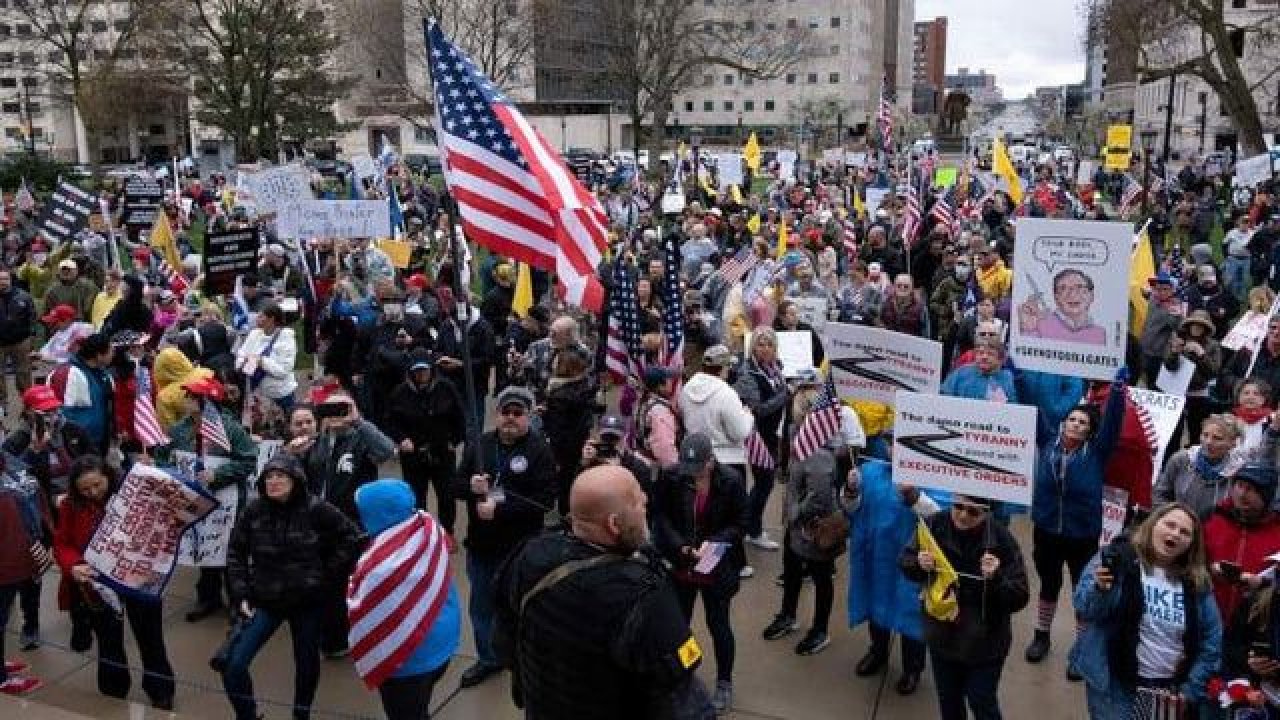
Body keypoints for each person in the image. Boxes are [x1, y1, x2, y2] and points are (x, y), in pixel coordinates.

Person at [492, 464, 714, 720]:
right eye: (638, 503)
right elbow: (683, 704)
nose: (645, 504)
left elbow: (504, 641)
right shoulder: (644, 596)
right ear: (614, 524)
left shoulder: (530, 556)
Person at [222, 455, 361, 720]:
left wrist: (326, 573)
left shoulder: (317, 509)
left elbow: (351, 537)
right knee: (233, 665)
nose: (274, 482)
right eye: (269, 477)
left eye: (281, 476)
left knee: (306, 663)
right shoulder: (253, 510)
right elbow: (236, 552)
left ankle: (301, 713)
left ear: (295, 480)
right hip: (265, 599)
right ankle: (247, 715)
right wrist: (240, 593)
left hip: (307, 601)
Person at [1070, 502, 1222, 718]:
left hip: (1169, 692)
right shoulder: (1118, 556)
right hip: (1115, 686)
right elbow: (1084, 608)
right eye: (1169, 525)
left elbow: (1212, 641)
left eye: (1185, 532)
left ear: (1191, 544)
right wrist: (1100, 590)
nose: (1175, 534)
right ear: (1153, 524)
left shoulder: (1197, 583)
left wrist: (1191, 689)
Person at [455, 385, 557, 689]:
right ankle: (488, 659)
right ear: (496, 414)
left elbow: (545, 500)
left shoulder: (539, 450)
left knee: (520, 608)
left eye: (517, 412)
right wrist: (469, 488)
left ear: (528, 416)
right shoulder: (480, 445)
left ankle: (523, 660)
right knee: (482, 606)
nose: (510, 418)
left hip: (520, 548)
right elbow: (455, 486)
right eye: (505, 412)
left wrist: (501, 507)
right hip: (482, 546)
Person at [53, 457, 175, 710]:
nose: (93, 493)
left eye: (97, 485)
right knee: (108, 642)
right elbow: (62, 542)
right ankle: (113, 691)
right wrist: (74, 565)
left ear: (108, 476)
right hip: (97, 584)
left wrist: (152, 471)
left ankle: (160, 692)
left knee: (150, 638)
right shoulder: (70, 506)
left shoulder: (134, 494)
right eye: (85, 489)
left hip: (139, 579)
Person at [1025, 372, 1127, 671]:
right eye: (1073, 420)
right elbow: (1032, 410)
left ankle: (1082, 650)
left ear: (1089, 431)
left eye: (1083, 423)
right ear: (1064, 423)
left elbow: (1112, 423)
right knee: (1049, 583)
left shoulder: (1097, 452)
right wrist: (1018, 375)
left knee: (1081, 591)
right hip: (1046, 530)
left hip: (1082, 535)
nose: (1077, 424)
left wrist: (1118, 392)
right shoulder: (1047, 442)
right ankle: (1041, 636)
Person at [900, 494, 1030, 720]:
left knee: (982, 701)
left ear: (986, 512)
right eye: (958, 506)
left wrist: (996, 578)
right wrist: (919, 564)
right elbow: (905, 561)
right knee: (949, 701)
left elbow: (1020, 595)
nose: (963, 515)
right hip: (942, 636)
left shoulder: (1000, 539)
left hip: (985, 643)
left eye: (973, 511)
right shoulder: (934, 525)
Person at [653, 432, 748, 713]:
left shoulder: (730, 481)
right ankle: (685, 672)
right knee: (680, 628)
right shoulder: (672, 478)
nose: (691, 476)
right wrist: (680, 546)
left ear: (710, 462)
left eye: (697, 470)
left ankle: (724, 681)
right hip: (683, 567)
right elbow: (661, 518)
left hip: (715, 568)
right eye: (687, 469)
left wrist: (716, 542)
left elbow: (741, 522)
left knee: (719, 626)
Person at [351, 478, 460, 720]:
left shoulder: (381, 566)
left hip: (407, 657)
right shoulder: (428, 526)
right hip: (442, 641)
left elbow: (361, 606)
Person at [152, 375, 258, 623]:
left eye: (191, 396)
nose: (186, 399)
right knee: (203, 546)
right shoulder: (180, 429)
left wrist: (218, 474)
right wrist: (167, 469)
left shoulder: (230, 429)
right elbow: (164, 455)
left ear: (206, 401)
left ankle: (237, 601)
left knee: (231, 552)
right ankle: (208, 598)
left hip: (227, 501)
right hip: (194, 498)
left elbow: (248, 461)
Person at [761, 375, 846, 657]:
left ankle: (819, 630)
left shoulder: (820, 453)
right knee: (793, 570)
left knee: (821, 577)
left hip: (815, 527)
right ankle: (788, 614)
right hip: (797, 524)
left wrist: (794, 512)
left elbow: (819, 497)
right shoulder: (799, 434)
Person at [845, 455, 938, 696]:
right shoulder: (870, 470)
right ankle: (878, 652)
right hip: (877, 558)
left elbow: (940, 516)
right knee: (876, 604)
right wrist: (851, 490)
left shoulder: (934, 472)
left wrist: (913, 495)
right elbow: (851, 509)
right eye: (890, 439)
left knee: (911, 613)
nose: (894, 446)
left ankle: (913, 669)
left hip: (914, 560)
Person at [384, 351, 466, 539]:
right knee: (416, 497)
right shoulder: (399, 393)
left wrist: (455, 440)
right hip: (413, 455)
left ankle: (447, 532)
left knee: (446, 495)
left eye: (425, 370)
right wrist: (401, 439)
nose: (421, 375)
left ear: (432, 370)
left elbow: (460, 417)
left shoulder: (447, 388)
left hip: (443, 451)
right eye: (417, 371)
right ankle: (421, 534)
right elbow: (390, 422)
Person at [733, 327, 789, 550]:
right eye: (760, 344)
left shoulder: (775, 368)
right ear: (752, 347)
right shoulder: (748, 374)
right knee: (764, 483)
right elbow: (759, 410)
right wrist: (786, 395)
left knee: (765, 483)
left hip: (774, 434)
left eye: (769, 344)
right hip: (759, 435)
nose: (765, 349)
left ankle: (748, 523)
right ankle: (752, 529)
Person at [1204, 460, 1280, 625]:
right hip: (1206, 616)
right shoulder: (1212, 516)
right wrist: (1209, 569)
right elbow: (1189, 560)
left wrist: (1262, 583)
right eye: (1239, 485)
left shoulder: (1277, 530)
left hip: (1253, 625)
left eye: (1251, 489)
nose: (1242, 493)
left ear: (1266, 495)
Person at [1155, 414, 1247, 519]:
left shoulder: (1238, 471)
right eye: (1205, 435)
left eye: (1217, 438)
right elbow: (1161, 495)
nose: (1208, 442)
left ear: (1232, 443)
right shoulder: (1181, 460)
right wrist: (1169, 519)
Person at [680, 344, 754, 471]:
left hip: (696, 458)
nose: (729, 369)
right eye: (728, 365)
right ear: (722, 368)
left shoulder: (686, 389)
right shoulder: (727, 393)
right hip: (727, 460)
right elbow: (739, 433)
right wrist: (748, 416)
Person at [235, 302, 298, 414]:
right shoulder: (254, 334)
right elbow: (241, 354)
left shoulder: (286, 339)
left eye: (261, 316)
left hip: (281, 395)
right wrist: (242, 363)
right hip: (257, 394)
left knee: (288, 422)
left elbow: (283, 371)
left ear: (271, 319)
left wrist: (261, 362)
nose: (256, 318)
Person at [58, 331, 114, 453]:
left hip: (100, 441)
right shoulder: (69, 373)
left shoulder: (104, 374)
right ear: (99, 355)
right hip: (78, 444)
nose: (113, 354)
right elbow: (62, 412)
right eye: (110, 351)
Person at [1017, 268, 1105, 345]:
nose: (1072, 294)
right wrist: (1028, 330)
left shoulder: (1100, 333)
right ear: (1056, 297)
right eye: (1063, 288)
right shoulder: (1039, 325)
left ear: (1091, 295)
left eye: (1080, 287)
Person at [0, 267, 35, 408]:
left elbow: (32, 317)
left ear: (11, 279)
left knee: (24, 372)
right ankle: (2, 402)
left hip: (21, 341)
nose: (2, 282)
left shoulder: (24, 296)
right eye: (0, 279)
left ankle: (28, 401)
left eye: (5, 279)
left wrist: (32, 338)